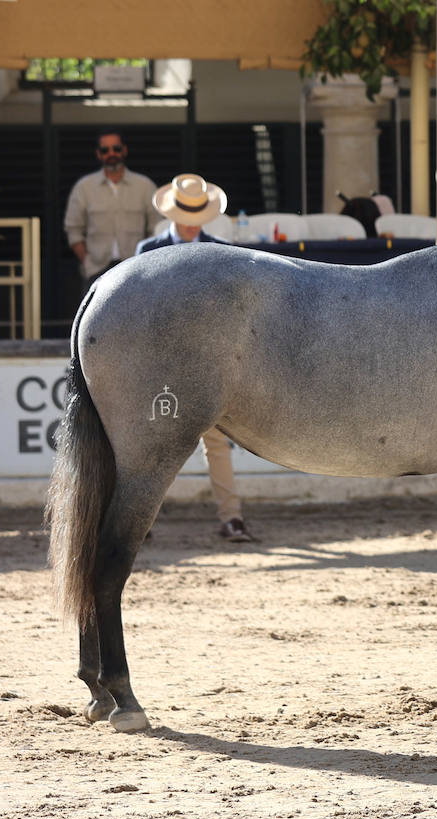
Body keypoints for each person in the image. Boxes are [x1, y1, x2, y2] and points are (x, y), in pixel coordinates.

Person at [134, 174, 256, 544]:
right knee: (153, 443)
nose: (190, 222)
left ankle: (231, 518)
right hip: (164, 366)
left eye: (195, 214)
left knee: (216, 444)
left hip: (208, 367)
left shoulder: (218, 251)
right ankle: (139, 520)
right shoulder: (149, 250)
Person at [64, 129, 159, 290]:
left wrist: (146, 261)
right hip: (96, 270)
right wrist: (87, 261)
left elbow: (156, 229)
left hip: (136, 270)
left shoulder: (145, 186)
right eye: (105, 150)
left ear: (124, 150)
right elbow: (73, 229)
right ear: (98, 154)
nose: (111, 153)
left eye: (116, 148)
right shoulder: (84, 187)